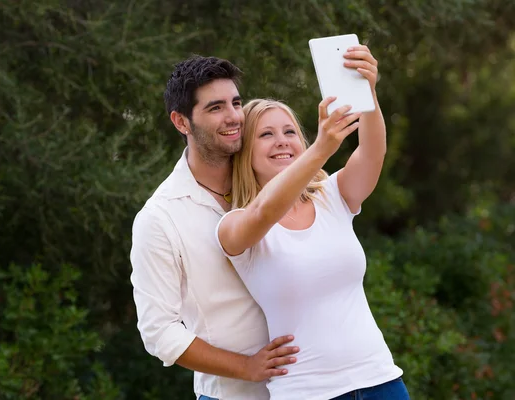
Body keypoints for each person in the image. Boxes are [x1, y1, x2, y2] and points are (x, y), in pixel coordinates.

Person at [216, 45, 410, 399]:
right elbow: (263, 213)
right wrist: (321, 149)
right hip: (306, 391)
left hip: (380, 381)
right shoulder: (234, 225)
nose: (282, 142)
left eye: (290, 132)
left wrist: (367, 93)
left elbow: (372, 152)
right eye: (266, 134)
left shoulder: (332, 195)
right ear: (244, 152)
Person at [129, 55, 300, 400]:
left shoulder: (271, 178)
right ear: (181, 122)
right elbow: (159, 332)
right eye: (216, 107)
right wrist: (246, 367)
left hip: (315, 385)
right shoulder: (160, 218)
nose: (235, 116)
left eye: (236, 103)